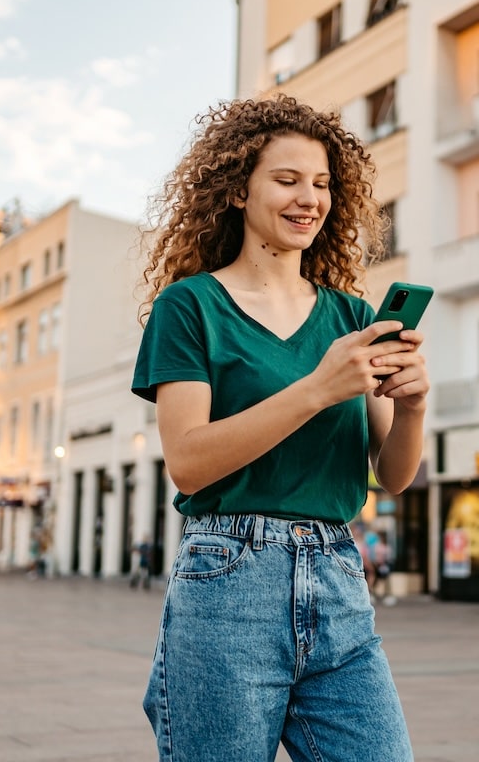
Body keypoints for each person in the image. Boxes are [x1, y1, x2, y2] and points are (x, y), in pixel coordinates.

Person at [131, 95, 426, 762]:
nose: (309, 200)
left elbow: (395, 475)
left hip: (338, 577)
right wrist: (319, 389)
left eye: (322, 184)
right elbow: (189, 460)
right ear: (238, 189)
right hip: (228, 579)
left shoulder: (352, 316)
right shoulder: (191, 306)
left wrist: (412, 406)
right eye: (287, 180)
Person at [372, 532, 396, 606]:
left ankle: (387, 594)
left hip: (385, 566)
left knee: (387, 581)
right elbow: (374, 556)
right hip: (378, 566)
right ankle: (373, 593)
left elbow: (389, 557)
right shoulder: (377, 546)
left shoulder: (387, 547)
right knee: (376, 581)